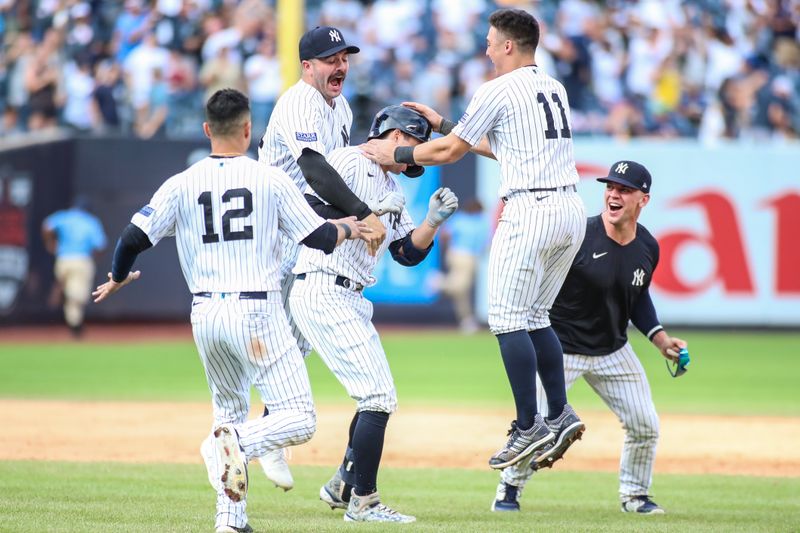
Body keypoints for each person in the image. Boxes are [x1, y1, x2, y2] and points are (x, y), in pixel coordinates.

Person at [92, 88, 369, 533]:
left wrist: (119, 276)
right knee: (297, 419)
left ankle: (229, 520)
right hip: (256, 312)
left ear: (206, 130)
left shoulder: (182, 181)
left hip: (205, 316)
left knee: (228, 410)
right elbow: (319, 238)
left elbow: (130, 238)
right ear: (248, 129)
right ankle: (227, 444)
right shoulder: (269, 178)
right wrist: (349, 227)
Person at [362, 8, 587, 471]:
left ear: (508, 45)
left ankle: (529, 426)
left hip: (531, 209)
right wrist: (445, 123)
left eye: (490, 41)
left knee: (506, 319)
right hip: (569, 209)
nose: (485, 49)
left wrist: (396, 151)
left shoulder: (497, 88)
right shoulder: (554, 87)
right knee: (537, 315)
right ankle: (559, 411)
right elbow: (497, 145)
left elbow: (449, 152)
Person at [290, 105, 458, 523]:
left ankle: (343, 483)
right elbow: (306, 213)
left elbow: (405, 254)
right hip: (324, 284)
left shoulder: (394, 189)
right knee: (378, 396)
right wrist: (363, 218)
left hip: (350, 296)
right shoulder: (349, 161)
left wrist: (433, 223)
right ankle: (363, 501)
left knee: (374, 394)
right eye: (415, 146)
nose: (414, 159)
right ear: (397, 136)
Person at [492, 160, 688, 515]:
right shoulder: (579, 236)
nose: (614, 194)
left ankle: (635, 495)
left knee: (645, 425)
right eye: (610, 187)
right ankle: (509, 488)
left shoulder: (648, 246)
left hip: (614, 350)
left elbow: (637, 296)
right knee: (538, 426)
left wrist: (659, 338)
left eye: (624, 190)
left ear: (643, 200)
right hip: (561, 349)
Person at [256, 25, 392, 491]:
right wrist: (363, 212)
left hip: (305, 231)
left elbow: (334, 173)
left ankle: (267, 431)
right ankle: (249, 432)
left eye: (345, 57)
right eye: (331, 59)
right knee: (264, 339)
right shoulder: (298, 102)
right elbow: (315, 170)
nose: (341, 66)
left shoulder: (343, 106)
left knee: (298, 342)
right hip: (272, 235)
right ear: (307, 66)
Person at [42, 196, 107, 338]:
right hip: (81, 260)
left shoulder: (64, 217)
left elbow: (47, 225)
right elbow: (101, 245)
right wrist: (95, 259)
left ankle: (63, 297)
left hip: (63, 260)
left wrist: (50, 243)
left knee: (72, 297)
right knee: (79, 297)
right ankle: (66, 298)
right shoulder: (90, 221)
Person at [437, 198, 489, 333]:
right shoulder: (481, 222)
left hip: (454, 254)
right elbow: (485, 243)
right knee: (461, 286)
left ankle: (466, 320)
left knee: (462, 293)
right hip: (468, 257)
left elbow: (444, 234)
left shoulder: (459, 218)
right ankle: (439, 283)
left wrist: (448, 248)